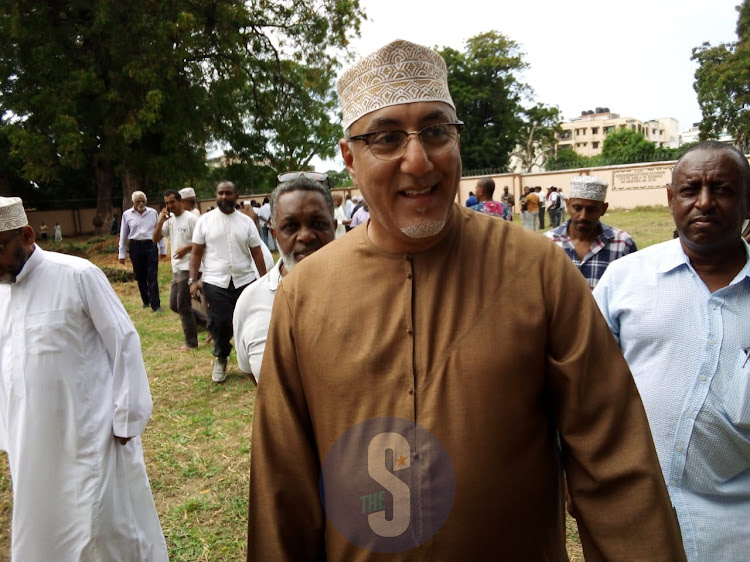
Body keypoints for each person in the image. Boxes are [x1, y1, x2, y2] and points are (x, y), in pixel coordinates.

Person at [247, 39, 685, 560]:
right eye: (386, 138)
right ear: (349, 158)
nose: (418, 160)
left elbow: (616, 467)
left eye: (435, 131)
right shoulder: (304, 294)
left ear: (456, 141)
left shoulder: (539, 270)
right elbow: (284, 488)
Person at [593, 141, 750, 560]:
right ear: (670, 199)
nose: (704, 202)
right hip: (632, 517)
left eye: (722, 189)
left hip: (736, 529)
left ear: (748, 200)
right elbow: (586, 389)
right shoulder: (624, 280)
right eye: (689, 189)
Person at [0, 197, 168, 561]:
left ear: (26, 235)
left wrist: (126, 418)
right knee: (42, 527)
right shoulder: (1, 292)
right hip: (29, 439)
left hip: (89, 435)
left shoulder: (77, 274)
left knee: (101, 529)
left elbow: (124, 341)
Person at [233, 176, 336, 383]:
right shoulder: (251, 300)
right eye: (290, 226)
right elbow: (255, 377)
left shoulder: (364, 292)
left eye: (318, 223)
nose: (305, 236)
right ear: (274, 233)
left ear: (333, 227)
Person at [189, 181, 269, 383]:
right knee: (219, 323)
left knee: (249, 321)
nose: (224, 197)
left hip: (245, 280)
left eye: (228, 193)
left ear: (236, 195)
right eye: (220, 193)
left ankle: (252, 359)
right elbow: (196, 252)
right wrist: (192, 280)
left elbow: (257, 252)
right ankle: (221, 357)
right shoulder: (204, 221)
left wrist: (266, 279)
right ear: (216, 195)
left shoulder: (246, 222)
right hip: (215, 281)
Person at [545, 176, 636, 290]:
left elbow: (632, 290)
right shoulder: (547, 243)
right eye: (577, 208)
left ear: (603, 209)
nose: (583, 216)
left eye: (591, 210)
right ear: (568, 205)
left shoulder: (623, 244)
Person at [153, 189, 199, 350]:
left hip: (189, 266)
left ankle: (191, 342)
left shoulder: (192, 219)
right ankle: (210, 324)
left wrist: (186, 248)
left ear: (180, 201)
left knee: (183, 305)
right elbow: (155, 239)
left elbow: (203, 241)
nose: (169, 205)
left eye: (172, 202)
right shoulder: (169, 221)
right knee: (174, 304)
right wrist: (160, 222)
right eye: (166, 203)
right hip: (176, 267)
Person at [118, 191, 166, 312]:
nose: (140, 203)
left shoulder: (153, 213)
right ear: (132, 202)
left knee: (152, 274)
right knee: (140, 275)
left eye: (142, 201)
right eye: (138, 201)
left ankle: (156, 305)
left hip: (151, 245)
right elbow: (123, 235)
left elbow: (158, 230)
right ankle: (146, 300)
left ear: (146, 201)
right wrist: (121, 254)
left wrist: (163, 249)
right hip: (135, 246)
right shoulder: (127, 215)